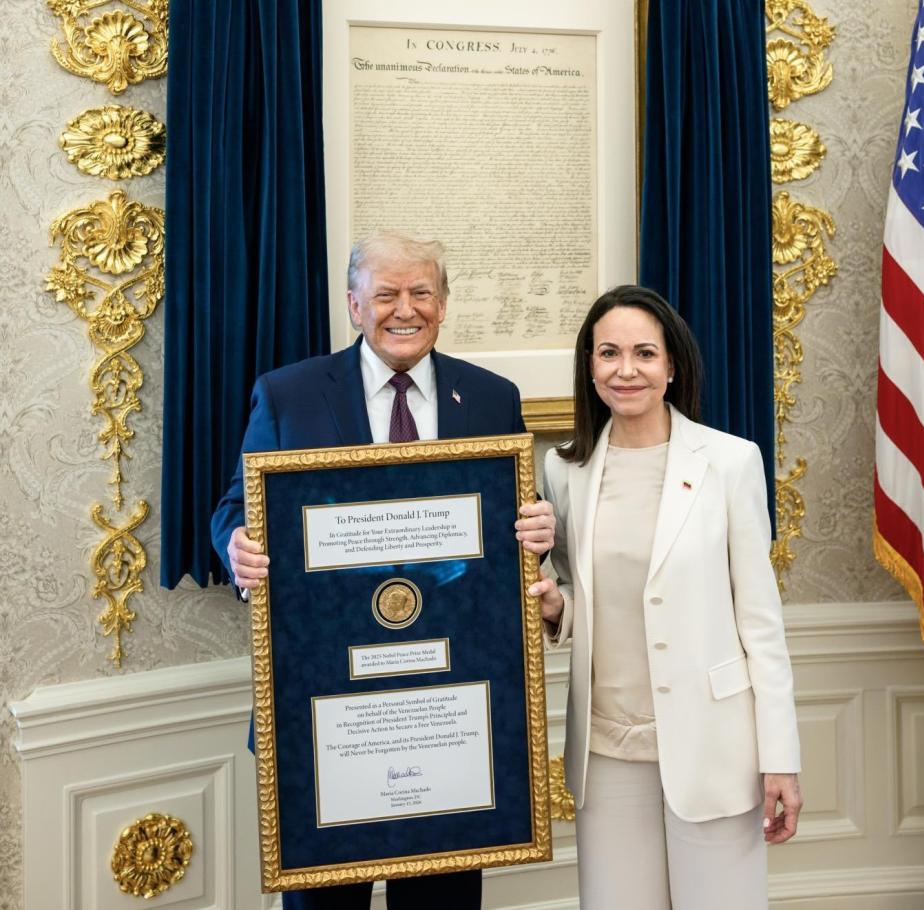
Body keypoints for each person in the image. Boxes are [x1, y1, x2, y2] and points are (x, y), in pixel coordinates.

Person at [211, 232, 556, 910]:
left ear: (443, 304)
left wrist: (537, 533)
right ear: (353, 304)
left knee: (442, 896)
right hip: (325, 696)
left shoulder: (490, 397)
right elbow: (235, 507)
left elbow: (507, 531)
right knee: (324, 900)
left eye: (421, 293)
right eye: (387, 294)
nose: (406, 309)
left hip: (451, 695)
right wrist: (237, 545)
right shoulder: (289, 394)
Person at [530, 285, 801, 909]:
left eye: (645, 354)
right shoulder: (564, 471)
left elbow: (761, 623)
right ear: (589, 366)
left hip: (714, 745)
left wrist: (780, 758)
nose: (626, 370)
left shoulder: (730, 463)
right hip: (606, 750)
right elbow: (575, 587)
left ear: (672, 366)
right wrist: (555, 608)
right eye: (608, 354)